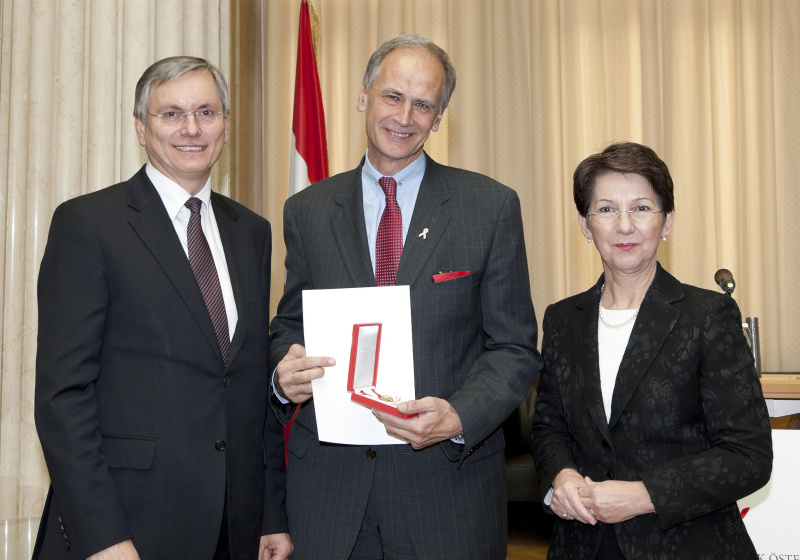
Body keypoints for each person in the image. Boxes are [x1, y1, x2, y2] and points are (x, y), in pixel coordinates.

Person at [269, 34, 542, 559]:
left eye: (423, 104)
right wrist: (285, 371)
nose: (404, 117)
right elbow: (290, 324)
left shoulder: (488, 207)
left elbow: (514, 348)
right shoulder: (307, 210)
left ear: (439, 118)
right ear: (363, 96)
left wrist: (459, 416)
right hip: (328, 492)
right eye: (392, 96)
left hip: (445, 492)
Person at [33, 56, 291, 560]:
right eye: (171, 114)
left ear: (224, 125)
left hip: (236, 527)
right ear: (140, 128)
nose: (191, 128)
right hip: (128, 524)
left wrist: (271, 515)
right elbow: (63, 397)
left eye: (206, 112)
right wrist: (102, 537)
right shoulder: (88, 224)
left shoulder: (251, 231)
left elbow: (249, 383)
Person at [529, 142, 773, 559]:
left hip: (687, 544)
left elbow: (748, 455)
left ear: (667, 221)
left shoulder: (707, 315)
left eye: (641, 208)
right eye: (606, 209)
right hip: (584, 544)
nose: (624, 226)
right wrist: (562, 476)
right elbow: (548, 428)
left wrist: (643, 495)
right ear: (585, 225)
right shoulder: (562, 319)